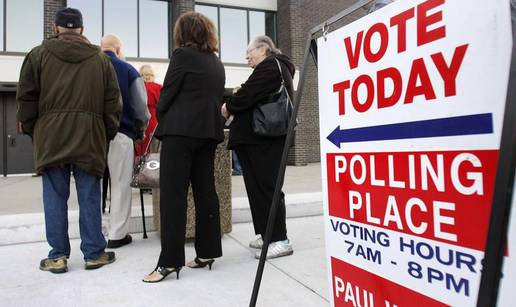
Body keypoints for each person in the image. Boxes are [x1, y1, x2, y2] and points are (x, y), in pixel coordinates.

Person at [16, 7, 122, 273]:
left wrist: (34, 130)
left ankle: (58, 256)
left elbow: (26, 99)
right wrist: (106, 132)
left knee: (54, 195)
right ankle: (94, 253)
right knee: (89, 195)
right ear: (82, 30)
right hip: (89, 137)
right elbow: (113, 103)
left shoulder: (37, 55)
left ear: (56, 28)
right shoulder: (100, 60)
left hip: (51, 137)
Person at [143, 11, 225, 283]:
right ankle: (207, 252)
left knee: (173, 196)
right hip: (208, 133)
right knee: (205, 191)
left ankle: (169, 262)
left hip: (180, 133)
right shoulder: (216, 61)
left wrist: (164, 117)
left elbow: (166, 96)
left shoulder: (182, 56)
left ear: (183, 33)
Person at [222, 35, 295, 260]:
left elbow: (246, 96)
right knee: (258, 189)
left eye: (249, 52)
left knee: (267, 188)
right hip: (260, 140)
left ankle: (280, 239)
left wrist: (229, 105)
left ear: (263, 49)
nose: (246, 57)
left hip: (265, 140)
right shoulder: (273, 68)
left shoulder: (271, 67)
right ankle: (267, 233)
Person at [101, 34, 150, 248]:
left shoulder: (89, 66)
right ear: (119, 49)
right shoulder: (127, 69)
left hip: (91, 135)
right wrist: (141, 129)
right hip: (121, 133)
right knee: (120, 184)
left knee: (91, 186)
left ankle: (93, 234)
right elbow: (141, 107)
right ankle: (117, 235)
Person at [135, 65, 162, 157]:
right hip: (154, 122)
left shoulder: (138, 88)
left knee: (139, 151)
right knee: (153, 152)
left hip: (141, 122)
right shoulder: (159, 87)